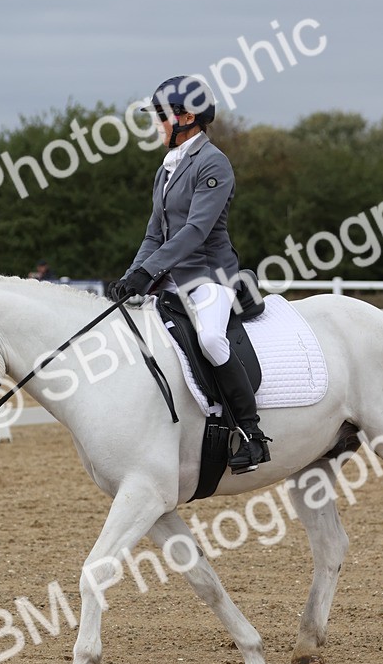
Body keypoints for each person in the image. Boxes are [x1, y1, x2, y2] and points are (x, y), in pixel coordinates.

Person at [108, 75, 271, 474]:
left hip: (208, 275)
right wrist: (132, 277)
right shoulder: (166, 169)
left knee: (213, 339)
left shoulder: (213, 163)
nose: (157, 124)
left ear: (187, 117)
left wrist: (149, 270)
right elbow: (154, 233)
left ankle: (251, 433)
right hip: (170, 278)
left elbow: (195, 231)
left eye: (162, 117)